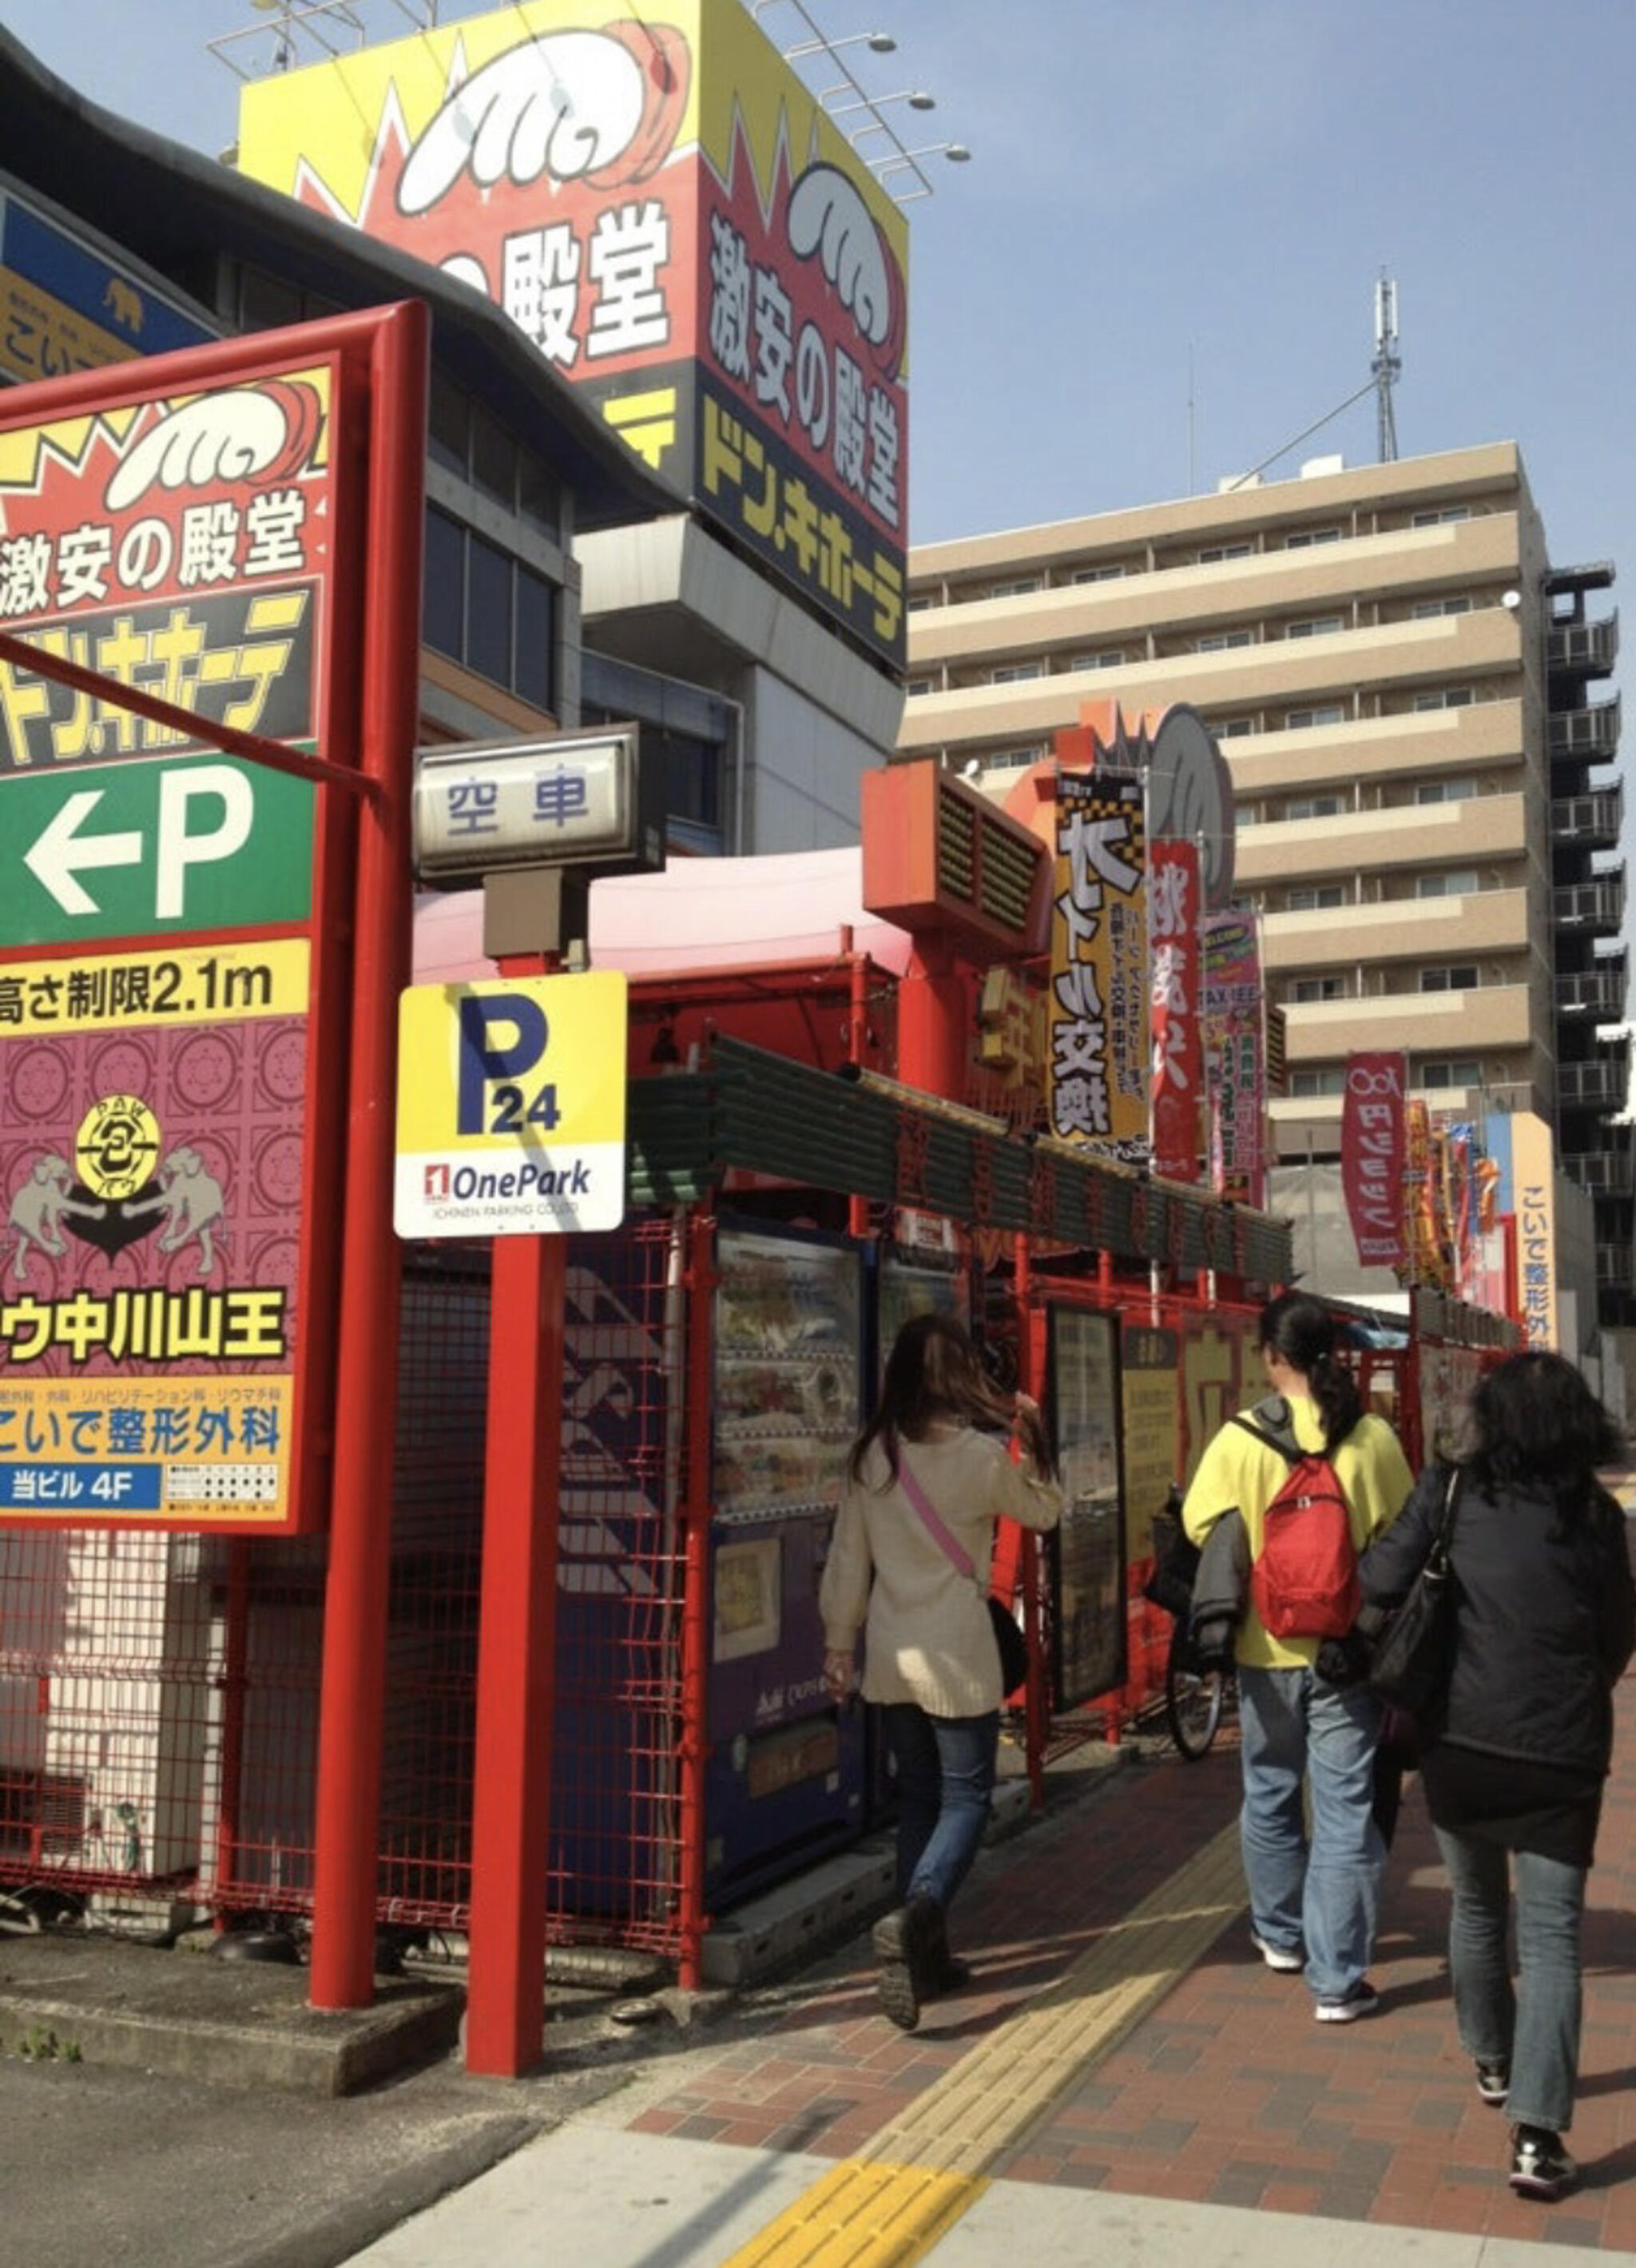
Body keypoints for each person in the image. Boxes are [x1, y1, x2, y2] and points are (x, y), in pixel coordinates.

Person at [1359, 1351, 1634, 2202]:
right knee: (1549, 1936)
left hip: (1457, 1742)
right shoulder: (1592, 1512)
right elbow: (1618, 1635)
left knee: (1476, 1906)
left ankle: (1491, 2059)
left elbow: (1375, 1578)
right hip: (1558, 1751)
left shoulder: (1450, 1491)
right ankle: (1536, 2134)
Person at [820, 1311, 1063, 2032]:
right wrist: (1035, 1433)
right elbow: (1045, 1511)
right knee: (968, 1801)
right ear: (960, 1376)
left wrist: (840, 1644)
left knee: (920, 1803)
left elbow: (847, 1562)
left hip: (894, 1659)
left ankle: (926, 1956)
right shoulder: (981, 1457)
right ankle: (918, 1915)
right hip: (957, 1655)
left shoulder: (873, 1457)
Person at [1182, 1291, 1413, 2021]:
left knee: (1271, 1789)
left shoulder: (1239, 1439)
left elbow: (1197, 1527)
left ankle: (1280, 1937)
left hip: (1261, 1650)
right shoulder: (1370, 1436)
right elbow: (1402, 1535)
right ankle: (1338, 1980)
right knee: (1345, 1811)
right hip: (1345, 1653)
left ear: (1271, 1356)